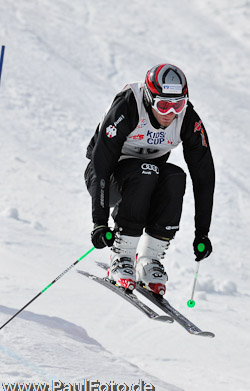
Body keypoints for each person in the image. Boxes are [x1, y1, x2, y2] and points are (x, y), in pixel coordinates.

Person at [84, 64, 215, 296]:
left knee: (176, 177)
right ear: (148, 98)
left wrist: (202, 232)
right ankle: (122, 255)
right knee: (146, 172)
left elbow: (204, 175)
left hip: (148, 180)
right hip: (106, 179)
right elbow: (100, 165)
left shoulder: (187, 118)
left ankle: (149, 259)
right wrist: (100, 222)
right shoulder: (128, 106)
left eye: (178, 104)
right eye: (163, 105)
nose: (170, 113)